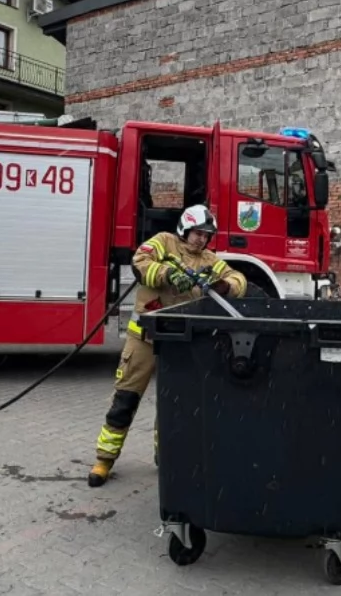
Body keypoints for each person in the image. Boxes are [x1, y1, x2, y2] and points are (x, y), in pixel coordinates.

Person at [88, 204, 247, 487]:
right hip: (144, 340)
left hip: (180, 345)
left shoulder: (209, 260)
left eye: (206, 235)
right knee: (125, 400)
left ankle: (166, 456)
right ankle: (104, 460)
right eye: (198, 233)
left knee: (173, 405)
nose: (202, 239)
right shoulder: (164, 242)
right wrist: (167, 274)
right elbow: (141, 262)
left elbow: (239, 279)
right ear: (185, 228)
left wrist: (225, 286)